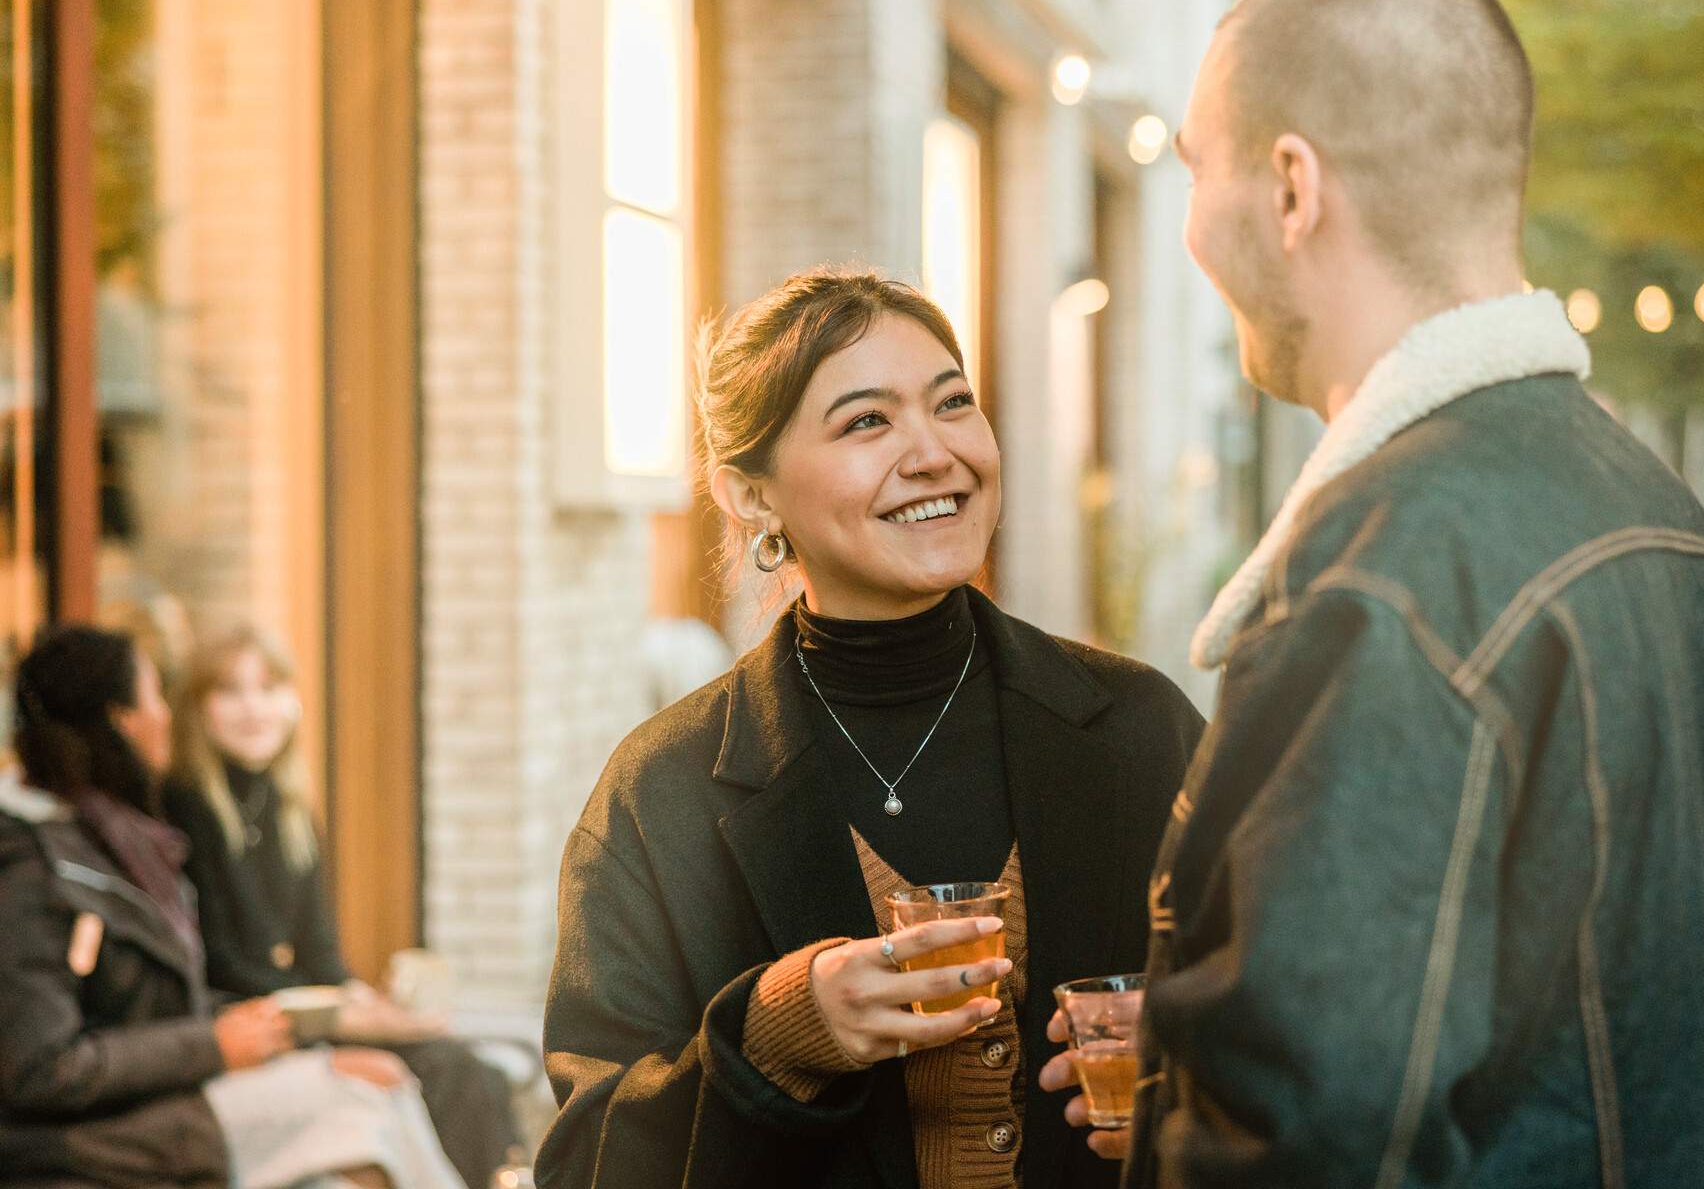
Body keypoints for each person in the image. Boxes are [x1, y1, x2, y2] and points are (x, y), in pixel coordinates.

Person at [1046, 0, 1704, 1187]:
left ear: (1292, 189)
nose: (1190, 222)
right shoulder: (1678, 533)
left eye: (1197, 169)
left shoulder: (1379, 578)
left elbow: (1309, 1142)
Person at [539, 268, 1206, 1189]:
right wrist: (774, 1034)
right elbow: (583, 1166)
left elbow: (1315, 1034)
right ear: (750, 496)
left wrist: (1199, 1077)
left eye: (953, 403)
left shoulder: (1142, 729)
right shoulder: (663, 793)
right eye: (867, 422)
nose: (935, 453)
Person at [0, 624, 465, 1189]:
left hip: (165, 1091)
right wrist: (220, 1044)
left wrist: (282, 1034)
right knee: (369, 1104)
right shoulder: (39, 865)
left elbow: (166, 1000)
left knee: (385, 1090)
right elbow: (41, 1068)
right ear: (123, 720)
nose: (166, 715)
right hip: (99, 1134)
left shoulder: (117, 839)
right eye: (155, 697)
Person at [162, 625, 524, 1189]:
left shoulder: (288, 808)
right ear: (198, 709)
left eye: (268, 687)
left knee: (470, 1068)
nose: (253, 708)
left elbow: (321, 951)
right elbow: (222, 962)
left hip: (307, 1012)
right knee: (444, 1073)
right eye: (230, 691)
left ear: (293, 701)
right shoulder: (183, 807)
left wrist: (365, 1003)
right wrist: (343, 1016)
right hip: (249, 1025)